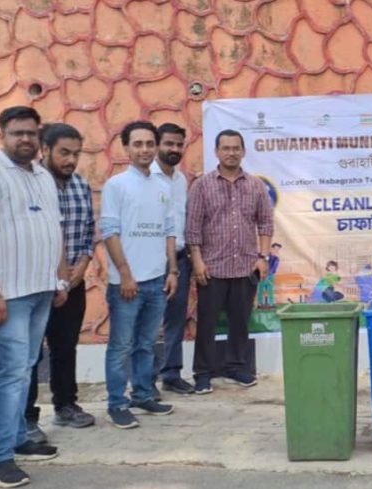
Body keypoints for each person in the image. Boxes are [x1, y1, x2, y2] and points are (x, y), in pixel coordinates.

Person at [0, 106, 69, 486]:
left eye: (30, 133)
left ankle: (19, 438)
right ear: (1, 134)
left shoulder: (42, 175)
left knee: (24, 367)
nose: (25, 139)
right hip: (5, 295)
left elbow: (53, 229)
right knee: (10, 371)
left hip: (40, 290)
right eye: (16, 133)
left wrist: (59, 280)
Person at [101, 121, 178, 429]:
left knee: (145, 344)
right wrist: (125, 274)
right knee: (120, 346)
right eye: (138, 144)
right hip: (126, 284)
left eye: (149, 143)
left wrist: (172, 270)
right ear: (126, 148)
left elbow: (170, 231)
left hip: (157, 280)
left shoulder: (163, 187)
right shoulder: (116, 186)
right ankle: (117, 403)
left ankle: (143, 395)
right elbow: (109, 232)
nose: (144, 149)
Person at [186, 130, 274, 395]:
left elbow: (266, 223)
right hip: (211, 268)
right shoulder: (202, 185)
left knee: (240, 321)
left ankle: (237, 367)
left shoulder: (256, 185)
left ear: (243, 151)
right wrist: (198, 261)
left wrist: (263, 257)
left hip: (246, 266)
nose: (231, 153)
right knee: (207, 323)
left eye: (236, 148)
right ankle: (203, 373)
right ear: (216, 152)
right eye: (226, 148)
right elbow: (192, 228)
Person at [24, 124, 97, 440]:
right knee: (29, 354)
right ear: (45, 150)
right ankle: (25, 418)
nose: (70, 160)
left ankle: (66, 405)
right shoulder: (29, 187)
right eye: (64, 153)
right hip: (36, 284)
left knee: (65, 347)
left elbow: (87, 231)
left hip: (74, 283)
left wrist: (81, 266)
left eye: (75, 154)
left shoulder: (80, 185)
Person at [150, 123, 195, 397]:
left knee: (175, 319)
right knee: (147, 320)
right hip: (152, 259)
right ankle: (145, 380)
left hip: (179, 259)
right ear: (157, 145)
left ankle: (171, 374)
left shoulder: (181, 180)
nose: (174, 149)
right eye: (169, 143)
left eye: (179, 144)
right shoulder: (146, 178)